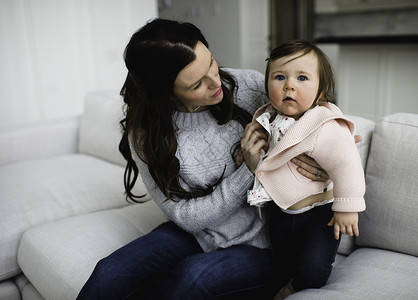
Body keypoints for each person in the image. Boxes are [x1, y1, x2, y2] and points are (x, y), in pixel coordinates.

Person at [76, 19, 331, 300]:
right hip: (198, 233)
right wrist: (250, 170)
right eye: (197, 84)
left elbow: (322, 115)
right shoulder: (146, 133)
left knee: (191, 279)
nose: (216, 81)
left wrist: (324, 161)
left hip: (269, 242)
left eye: (211, 62)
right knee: (110, 273)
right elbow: (185, 217)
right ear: (166, 93)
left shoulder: (250, 86)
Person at [242, 40, 366, 299]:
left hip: (318, 216)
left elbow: (347, 165)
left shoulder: (323, 126)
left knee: (313, 268)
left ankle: (296, 288)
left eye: (302, 78)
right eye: (279, 77)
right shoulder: (267, 118)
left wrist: (347, 207)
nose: (289, 85)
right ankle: (283, 281)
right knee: (282, 261)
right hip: (281, 212)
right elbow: (265, 152)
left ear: (321, 91)